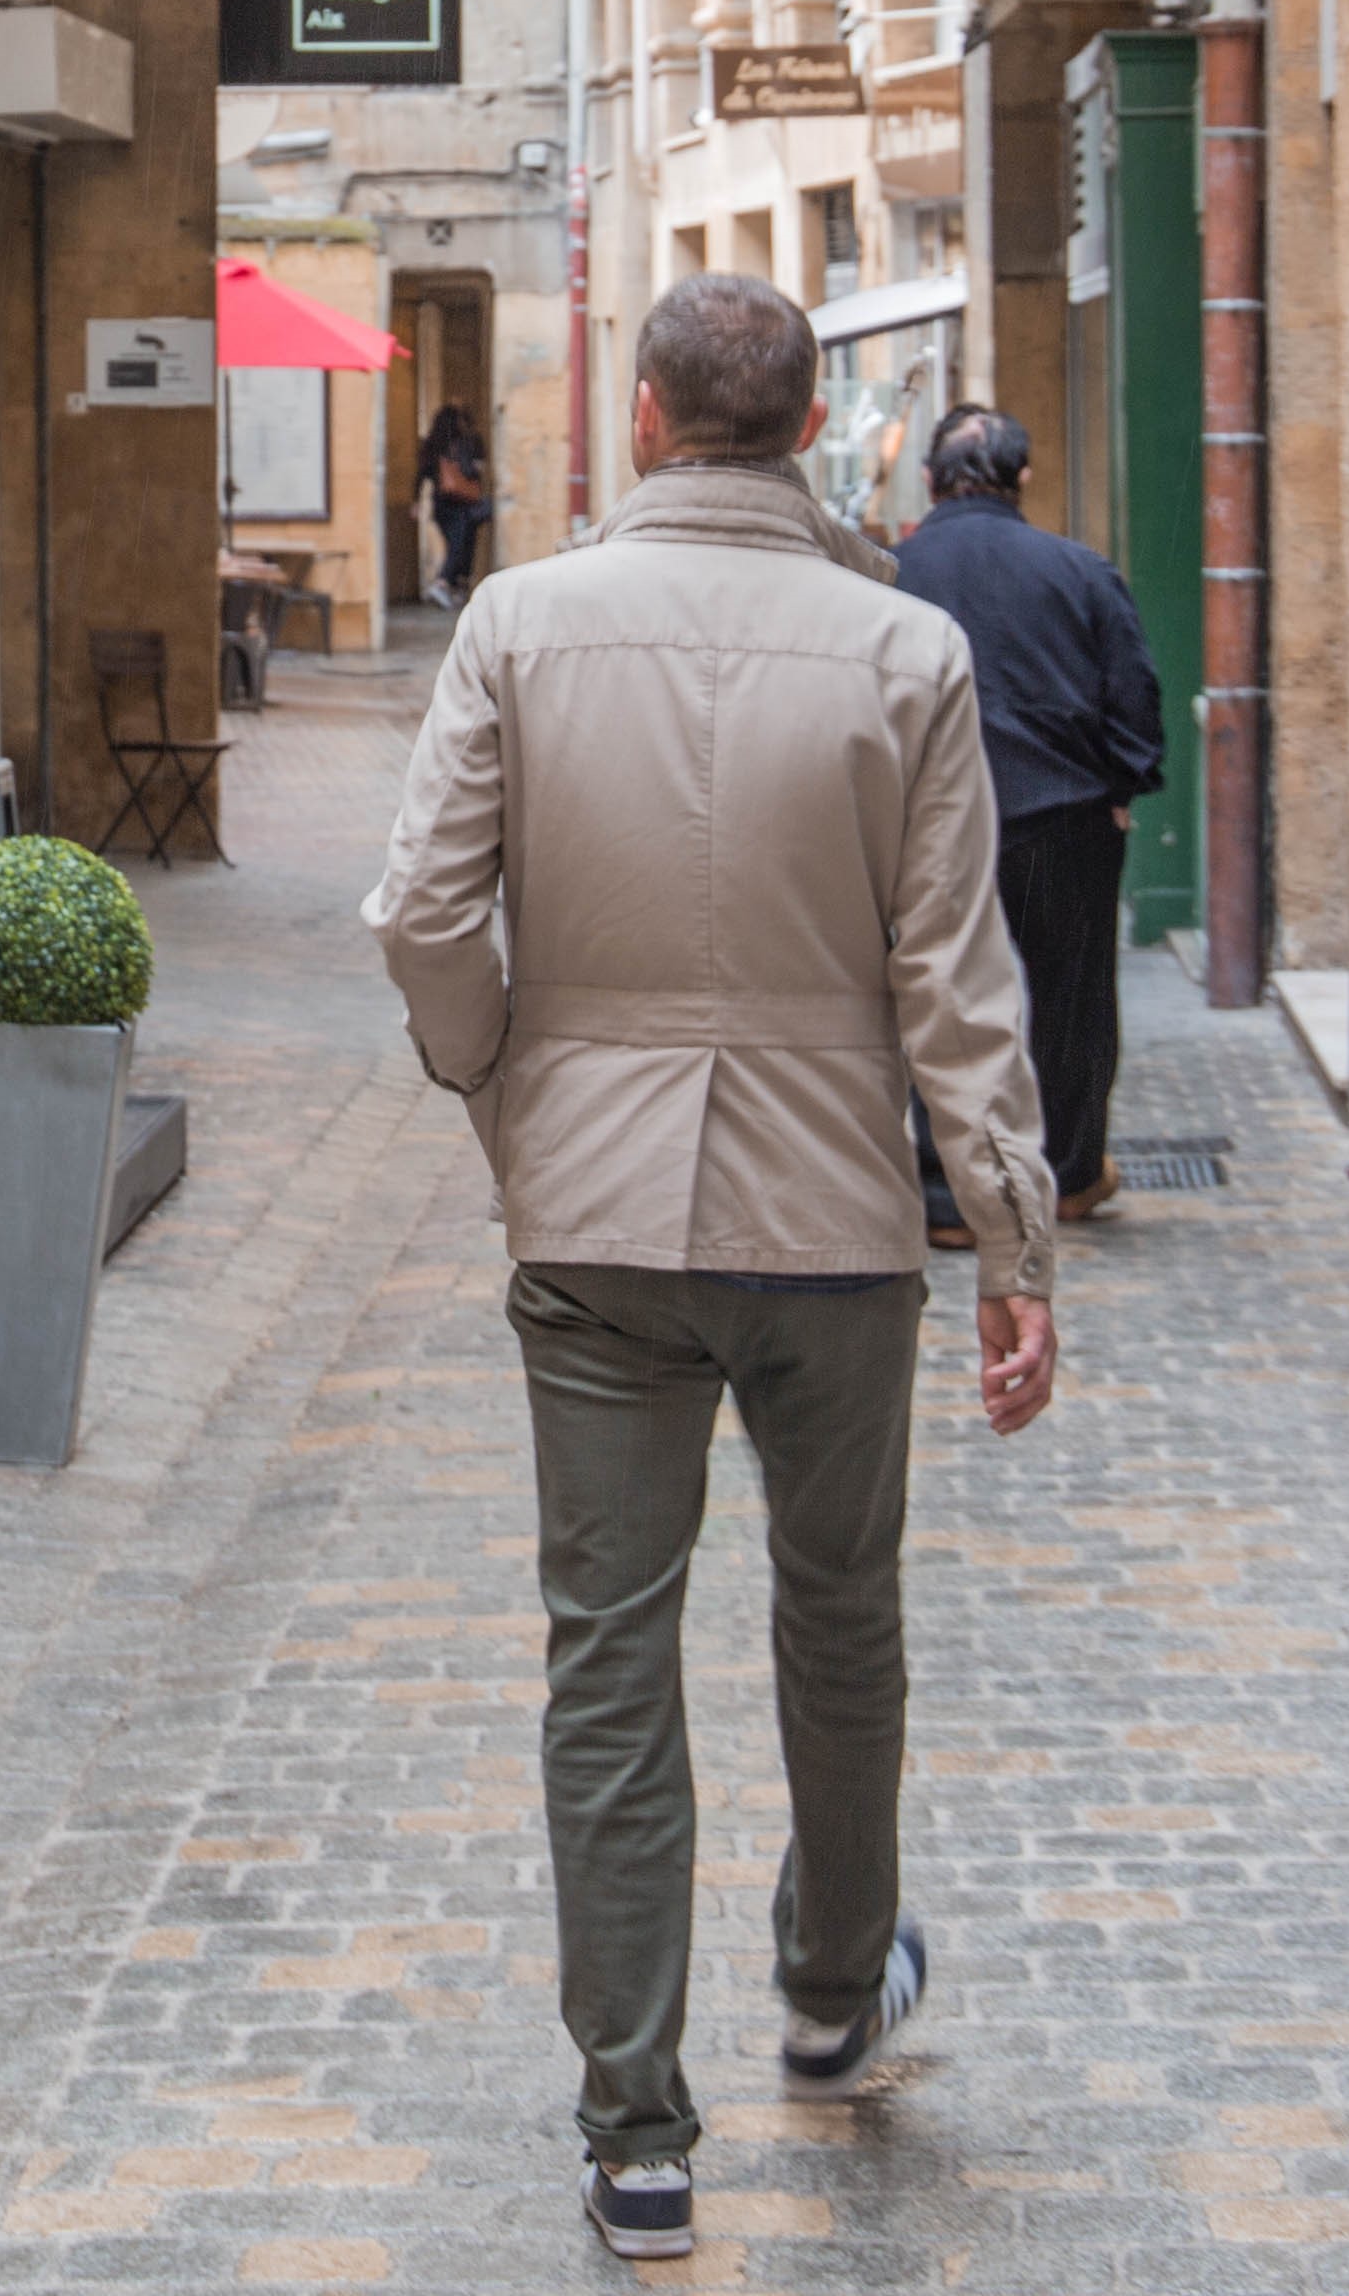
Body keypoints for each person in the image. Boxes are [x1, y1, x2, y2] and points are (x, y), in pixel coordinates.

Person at [363, 271, 1058, 2266]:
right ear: (800, 428)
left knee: (610, 1655)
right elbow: (956, 981)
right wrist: (1012, 1245)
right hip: (837, 1218)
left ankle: (639, 2128)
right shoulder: (904, 651)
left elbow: (421, 909)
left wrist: (502, 1070)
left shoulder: (522, 620)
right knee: (839, 1621)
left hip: (590, 1224)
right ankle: (835, 1992)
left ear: (653, 420)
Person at [881, 405, 1168, 1228]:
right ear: (1023, 478)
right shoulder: (1077, 569)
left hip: (928, 822)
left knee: (938, 1000)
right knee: (1072, 999)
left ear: (930, 480)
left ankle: (946, 1198)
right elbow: (1134, 695)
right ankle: (1070, 1173)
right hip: (1060, 813)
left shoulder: (889, 574)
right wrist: (1123, 787)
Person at [422, 400, 496, 605]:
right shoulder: (463, 441)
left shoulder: (432, 444)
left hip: (440, 502)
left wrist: (415, 501)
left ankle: (453, 586)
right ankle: (444, 583)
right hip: (459, 503)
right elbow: (471, 470)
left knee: (456, 544)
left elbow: (423, 473)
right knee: (461, 544)